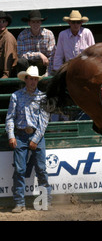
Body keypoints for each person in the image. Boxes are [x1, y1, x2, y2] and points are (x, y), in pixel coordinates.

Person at [5, 65, 51, 213]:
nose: (33, 82)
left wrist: (35, 139)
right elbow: (10, 118)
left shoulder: (42, 97)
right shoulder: (15, 96)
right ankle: (19, 203)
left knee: (41, 169)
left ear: (37, 81)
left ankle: (45, 201)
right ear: (26, 79)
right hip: (20, 135)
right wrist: (11, 135)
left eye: (35, 79)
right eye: (30, 79)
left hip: (36, 134)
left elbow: (44, 121)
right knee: (19, 169)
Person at [16, 10, 55, 76]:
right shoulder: (22, 35)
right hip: (28, 65)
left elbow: (52, 55)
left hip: (43, 65)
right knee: (21, 62)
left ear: (41, 23)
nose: (35, 24)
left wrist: (48, 72)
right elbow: (21, 55)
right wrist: (39, 54)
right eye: (33, 22)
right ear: (29, 23)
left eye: (37, 22)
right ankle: (23, 82)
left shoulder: (49, 34)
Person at [0, 11, 17, 78]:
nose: (1, 24)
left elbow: (8, 57)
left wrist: (6, 75)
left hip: (5, 73)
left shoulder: (8, 37)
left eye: (3, 21)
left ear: (7, 23)